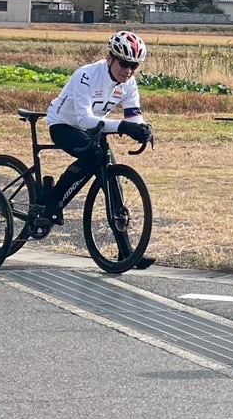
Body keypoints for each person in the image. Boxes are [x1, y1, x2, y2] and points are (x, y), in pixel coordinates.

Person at [31, 30, 156, 268]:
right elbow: (84, 119)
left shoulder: (128, 83)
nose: (128, 71)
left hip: (95, 126)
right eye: (124, 63)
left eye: (134, 66)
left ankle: (126, 252)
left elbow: (133, 114)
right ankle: (53, 199)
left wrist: (142, 128)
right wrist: (123, 126)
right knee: (93, 156)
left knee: (113, 181)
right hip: (64, 124)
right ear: (110, 58)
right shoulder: (87, 75)